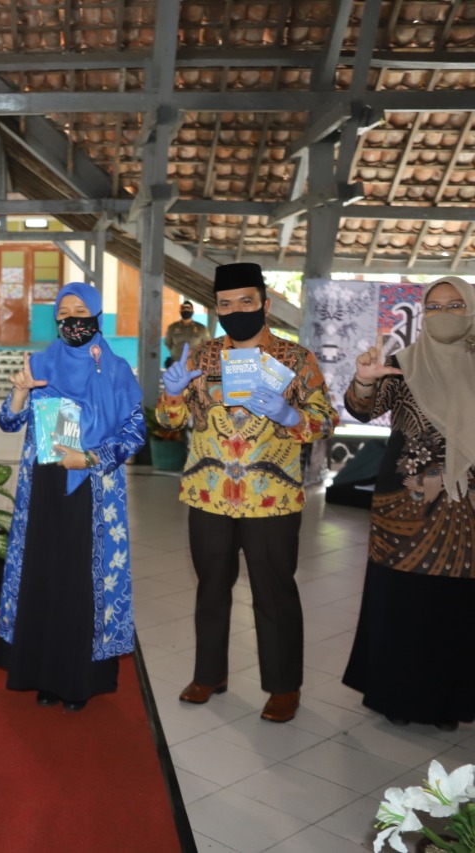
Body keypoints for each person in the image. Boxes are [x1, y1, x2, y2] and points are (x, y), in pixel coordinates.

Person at [156, 262, 337, 723]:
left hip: (271, 496)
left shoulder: (295, 360)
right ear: (216, 309)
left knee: (274, 590)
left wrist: (291, 415)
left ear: (265, 304)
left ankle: (283, 686)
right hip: (208, 491)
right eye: (226, 304)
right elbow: (170, 424)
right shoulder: (198, 357)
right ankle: (209, 674)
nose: (236, 311)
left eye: (246, 302)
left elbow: (325, 420)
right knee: (210, 587)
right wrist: (173, 395)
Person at [0, 283, 144, 711]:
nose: (72, 319)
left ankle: (79, 679)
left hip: (93, 492)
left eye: (81, 311)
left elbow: (135, 433)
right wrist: (21, 392)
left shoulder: (117, 370)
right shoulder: (39, 362)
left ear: (97, 317)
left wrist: (92, 457)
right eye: (64, 312)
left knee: (83, 583)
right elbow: (7, 422)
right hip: (43, 490)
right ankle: (43, 673)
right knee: (44, 578)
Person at [342, 276, 475, 732]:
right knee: (403, 600)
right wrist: (363, 380)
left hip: (468, 509)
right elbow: (362, 409)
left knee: (456, 604)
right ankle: (396, 696)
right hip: (406, 506)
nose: (445, 313)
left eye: (455, 304)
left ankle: (450, 701)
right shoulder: (402, 363)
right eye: (435, 306)